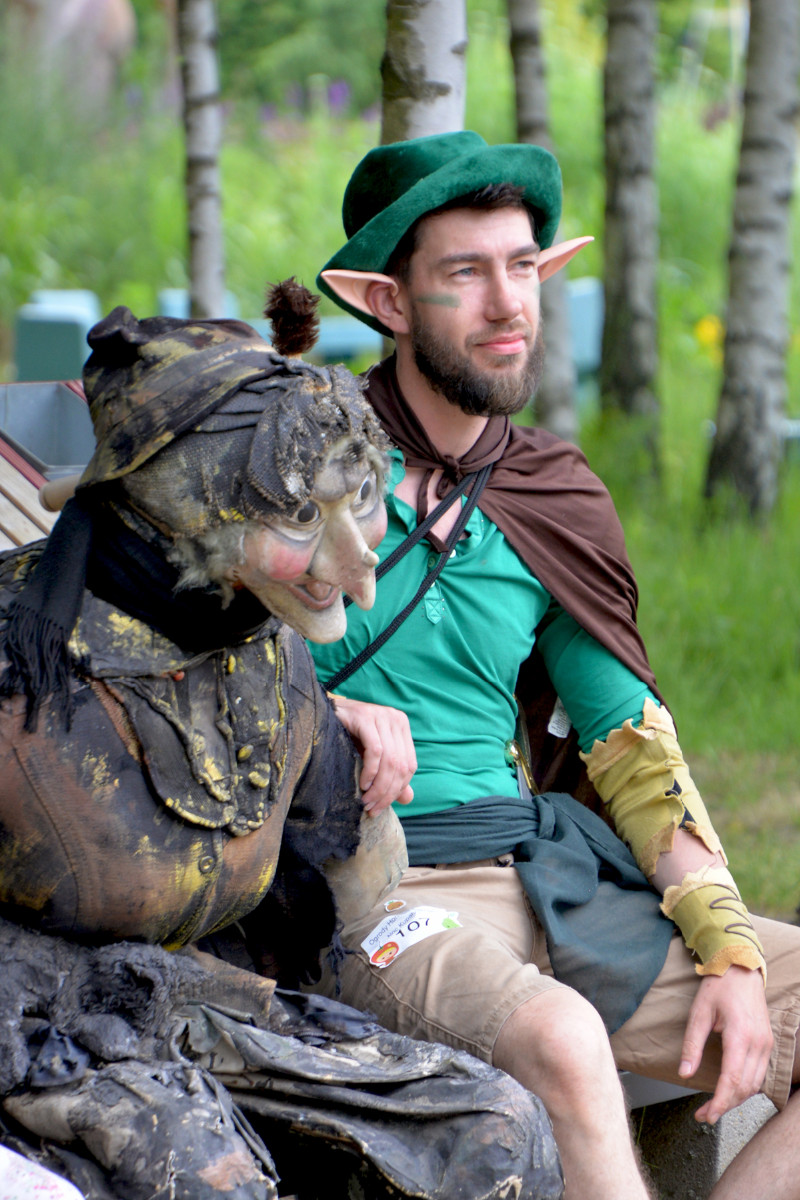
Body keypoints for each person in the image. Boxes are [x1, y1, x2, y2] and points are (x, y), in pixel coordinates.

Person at [307, 130, 800, 1200]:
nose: (507, 306)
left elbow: (627, 745)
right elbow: (184, 665)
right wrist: (317, 713)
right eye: (464, 273)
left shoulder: (549, 490)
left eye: (522, 267)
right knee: (565, 1041)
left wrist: (722, 943)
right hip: (367, 893)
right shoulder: (298, 467)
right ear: (387, 302)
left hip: (543, 876)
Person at [0, 295, 562, 1200]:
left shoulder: (268, 650)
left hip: (209, 1010)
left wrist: (344, 762)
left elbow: (351, 892)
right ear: (183, 519)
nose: (361, 569)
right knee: (206, 1173)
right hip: (36, 1038)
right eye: (301, 520)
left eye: (362, 501)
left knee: (495, 1129)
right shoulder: (19, 664)